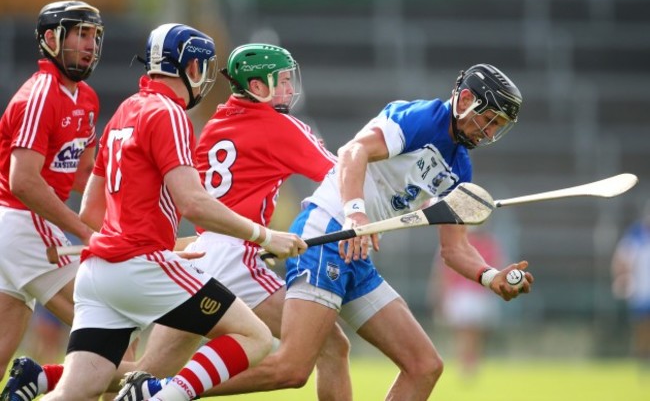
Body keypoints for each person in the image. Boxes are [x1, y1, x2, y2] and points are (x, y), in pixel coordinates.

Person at [124, 63, 535, 399]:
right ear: (464, 100)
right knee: (292, 367)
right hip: (330, 231)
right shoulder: (420, 118)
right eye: (488, 117)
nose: (490, 130)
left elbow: (454, 249)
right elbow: (353, 152)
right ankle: (163, 392)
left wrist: (490, 277)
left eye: (499, 125)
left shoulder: (460, 167)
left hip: (357, 253)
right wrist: (357, 216)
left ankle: (154, 387)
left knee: (424, 366)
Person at [2, 44, 351, 401]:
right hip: (232, 255)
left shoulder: (214, 121)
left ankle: (46, 377)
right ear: (258, 87)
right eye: (282, 82)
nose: (289, 90)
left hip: (195, 251)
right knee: (305, 352)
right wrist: (353, 211)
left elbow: (106, 206)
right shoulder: (269, 125)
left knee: (146, 370)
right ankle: (163, 395)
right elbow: (342, 172)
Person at [0, 0, 103, 387]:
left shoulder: (86, 98)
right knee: (107, 327)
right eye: (80, 33)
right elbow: (23, 181)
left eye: (94, 35)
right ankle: (41, 382)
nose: (90, 44)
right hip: (22, 221)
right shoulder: (41, 94)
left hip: (19, 229)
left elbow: (85, 174)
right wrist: (84, 230)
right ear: (50, 39)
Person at [429, 228, 505, 379]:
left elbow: (496, 266)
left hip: (479, 293)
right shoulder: (452, 242)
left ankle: (470, 363)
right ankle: (465, 364)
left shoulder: (489, 243)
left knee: (474, 331)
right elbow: (442, 271)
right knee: (464, 331)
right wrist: (441, 293)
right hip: (460, 292)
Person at [611, 200, 650, 368]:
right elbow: (621, 259)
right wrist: (622, 277)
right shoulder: (636, 234)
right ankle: (643, 360)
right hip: (641, 289)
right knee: (643, 327)